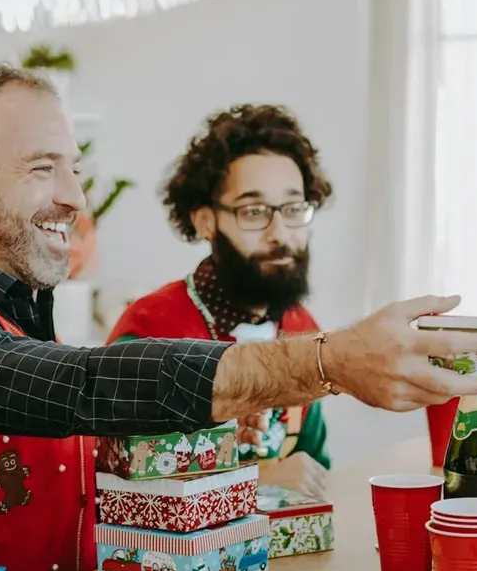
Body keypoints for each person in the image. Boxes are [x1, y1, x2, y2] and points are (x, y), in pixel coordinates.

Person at [0, 64, 477, 571]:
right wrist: (326, 361)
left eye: (73, 168)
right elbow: (85, 389)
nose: (75, 196)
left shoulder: (18, 324)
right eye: (43, 168)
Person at [107, 103, 335, 497]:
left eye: (293, 208)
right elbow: (117, 482)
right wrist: (254, 484)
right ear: (205, 221)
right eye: (253, 211)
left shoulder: (303, 329)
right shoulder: (148, 330)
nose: (279, 233)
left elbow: (313, 470)